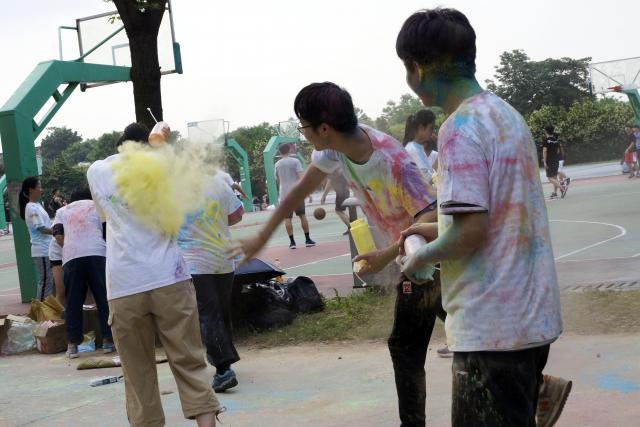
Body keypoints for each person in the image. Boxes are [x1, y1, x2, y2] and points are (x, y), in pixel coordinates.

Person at [229, 82, 441, 427]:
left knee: (410, 345)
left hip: (432, 259)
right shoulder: (334, 150)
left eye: (304, 126)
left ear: (324, 128)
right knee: (437, 339)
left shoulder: (392, 161)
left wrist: (387, 254)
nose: (303, 134)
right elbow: (298, 191)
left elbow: (430, 216)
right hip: (411, 257)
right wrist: (260, 238)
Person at [396, 8, 570, 427]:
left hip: (492, 329)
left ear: (417, 69)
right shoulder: (506, 115)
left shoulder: (458, 128)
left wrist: (419, 258)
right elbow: (498, 217)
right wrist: (432, 229)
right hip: (532, 319)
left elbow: (470, 233)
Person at [87, 122, 221, 426]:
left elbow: (104, 214)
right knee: (190, 363)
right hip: (170, 278)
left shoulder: (98, 172)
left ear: (122, 144)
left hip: (124, 285)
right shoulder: (166, 169)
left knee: (138, 373)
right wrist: (159, 139)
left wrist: (154, 139)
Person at [178, 170, 244, 393]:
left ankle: (224, 369)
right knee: (221, 311)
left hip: (194, 261)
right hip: (223, 258)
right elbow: (237, 215)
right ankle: (226, 358)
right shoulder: (219, 183)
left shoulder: (172, 189)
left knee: (207, 313)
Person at [52, 187, 114, 358]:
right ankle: (108, 341)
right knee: (103, 298)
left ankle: (72, 345)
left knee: (73, 301)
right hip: (98, 254)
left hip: (72, 257)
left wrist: (71, 247)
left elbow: (57, 235)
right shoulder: (97, 207)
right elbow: (107, 231)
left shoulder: (62, 211)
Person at [19, 176, 54, 301]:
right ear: (31, 190)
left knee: (49, 281)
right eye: (39, 187)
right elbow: (41, 228)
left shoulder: (37, 205)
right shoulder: (31, 208)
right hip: (42, 250)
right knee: (45, 282)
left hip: (47, 249)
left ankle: (48, 309)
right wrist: (57, 232)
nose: (41, 189)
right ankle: (41, 310)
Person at [274, 143, 315, 249]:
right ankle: (308, 240)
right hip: (296, 193)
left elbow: (278, 180)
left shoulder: (277, 164)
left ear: (279, 152)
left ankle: (292, 242)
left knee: (287, 218)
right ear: (290, 150)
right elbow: (301, 178)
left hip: (284, 194)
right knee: (302, 216)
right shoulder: (295, 161)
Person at [404, 110, 438, 183]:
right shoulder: (412, 149)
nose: (432, 132)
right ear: (421, 128)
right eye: (431, 128)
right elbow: (427, 178)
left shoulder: (418, 148)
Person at [320, 168, 351, 233]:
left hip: (341, 192)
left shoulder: (332, 170)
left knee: (338, 211)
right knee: (339, 211)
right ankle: (351, 226)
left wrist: (324, 196)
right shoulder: (340, 169)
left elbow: (329, 184)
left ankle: (351, 227)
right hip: (345, 191)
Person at [543, 125, 570, 198]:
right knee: (555, 178)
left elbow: (545, 151)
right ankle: (555, 193)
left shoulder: (546, 140)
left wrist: (545, 161)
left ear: (546, 131)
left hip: (549, 161)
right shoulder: (556, 140)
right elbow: (558, 151)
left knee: (550, 178)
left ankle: (562, 187)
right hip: (556, 160)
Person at [48, 238, 64, 306]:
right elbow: (58, 237)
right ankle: (58, 311)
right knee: (61, 291)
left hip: (78, 252)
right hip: (57, 253)